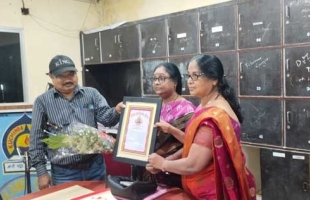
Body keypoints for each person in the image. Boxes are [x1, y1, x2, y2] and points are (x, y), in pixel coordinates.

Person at [147, 55, 256, 200]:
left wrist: (163, 164)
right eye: (189, 75)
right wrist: (170, 144)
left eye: (195, 76)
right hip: (202, 187)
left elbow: (193, 164)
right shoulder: (205, 105)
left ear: (214, 79)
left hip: (214, 190)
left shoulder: (214, 115)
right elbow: (194, 144)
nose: (189, 81)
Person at [29, 55, 124, 190]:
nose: (68, 79)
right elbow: (36, 140)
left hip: (95, 168)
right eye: (61, 76)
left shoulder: (91, 94)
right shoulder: (42, 102)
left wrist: (117, 111)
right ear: (51, 76)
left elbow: (106, 119)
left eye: (71, 74)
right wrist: (42, 172)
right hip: (64, 173)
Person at [133, 62, 196, 188]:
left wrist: (167, 161)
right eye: (154, 79)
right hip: (147, 169)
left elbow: (192, 144)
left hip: (172, 171)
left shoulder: (187, 109)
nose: (156, 82)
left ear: (175, 82)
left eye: (161, 78)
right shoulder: (151, 107)